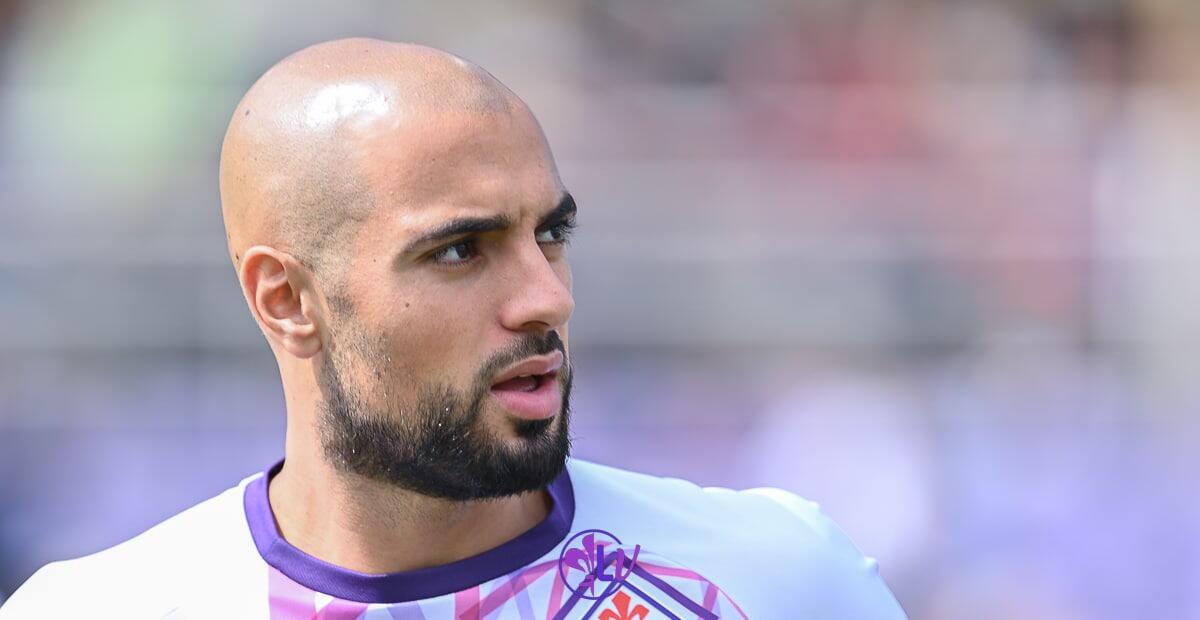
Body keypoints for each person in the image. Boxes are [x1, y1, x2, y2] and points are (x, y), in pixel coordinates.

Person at [0, 39, 906, 618]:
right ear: (285, 299)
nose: (545, 298)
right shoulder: (96, 610)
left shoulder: (778, 579)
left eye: (550, 234)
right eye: (459, 251)